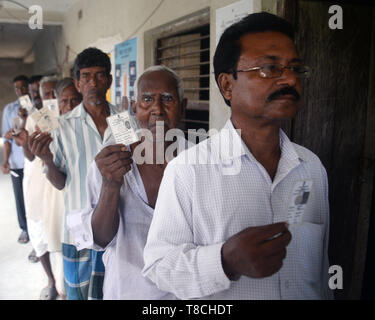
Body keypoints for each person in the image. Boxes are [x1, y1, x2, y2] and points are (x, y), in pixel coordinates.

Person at [142, 12, 334, 300]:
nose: (290, 80)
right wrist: (223, 261)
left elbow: (320, 273)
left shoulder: (312, 168)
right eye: (270, 68)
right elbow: (159, 267)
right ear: (227, 85)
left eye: (295, 68)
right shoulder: (188, 171)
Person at [66, 65, 188, 299]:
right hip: (129, 290)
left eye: (168, 99)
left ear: (183, 107)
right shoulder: (108, 164)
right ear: (134, 108)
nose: (157, 109)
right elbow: (100, 238)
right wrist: (111, 185)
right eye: (147, 99)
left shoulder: (200, 162)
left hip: (186, 294)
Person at [29, 48, 117, 300]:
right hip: (78, 232)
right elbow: (60, 183)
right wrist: (46, 158)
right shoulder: (63, 127)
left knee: (114, 292)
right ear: (78, 83)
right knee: (78, 295)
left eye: (100, 75)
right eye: (86, 76)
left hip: (118, 229)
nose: (93, 83)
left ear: (109, 81)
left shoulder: (124, 121)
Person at [14, 75, 66, 300]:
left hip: (60, 189)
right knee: (39, 237)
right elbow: (29, 156)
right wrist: (26, 141)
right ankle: (51, 281)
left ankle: (64, 288)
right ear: (40, 97)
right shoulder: (35, 118)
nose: (51, 98)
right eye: (46, 94)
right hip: (38, 185)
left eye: (55, 93)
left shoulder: (69, 118)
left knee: (62, 241)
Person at [1, 75, 29, 244]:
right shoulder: (9, 110)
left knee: (34, 198)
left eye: (23, 87)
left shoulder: (35, 107)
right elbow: (7, 138)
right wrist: (6, 161)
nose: (21, 91)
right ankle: (25, 229)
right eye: (17, 88)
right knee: (20, 198)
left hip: (34, 162)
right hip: (18, 163)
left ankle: (37, 230)